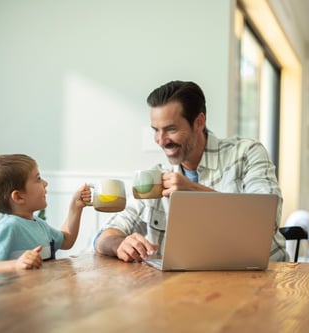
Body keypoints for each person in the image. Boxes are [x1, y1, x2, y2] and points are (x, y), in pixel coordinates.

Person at [94, 80, 289, 262]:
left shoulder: (246, 154)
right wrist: (120, 244)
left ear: (199, 122)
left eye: (170, 129)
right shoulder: (156, 178)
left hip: (259, 281)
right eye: (156, 130)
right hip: (186, 289)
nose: (161, 141)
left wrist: (194, 192)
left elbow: (265, 220)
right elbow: (103, 237)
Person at [0, 154, 91, 278]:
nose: (45, 183)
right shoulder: (9, 226)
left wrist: (76, 206)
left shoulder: (38, 223)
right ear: (19, 197)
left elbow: (67, 240)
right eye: (38, 178)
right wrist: (16, 265)